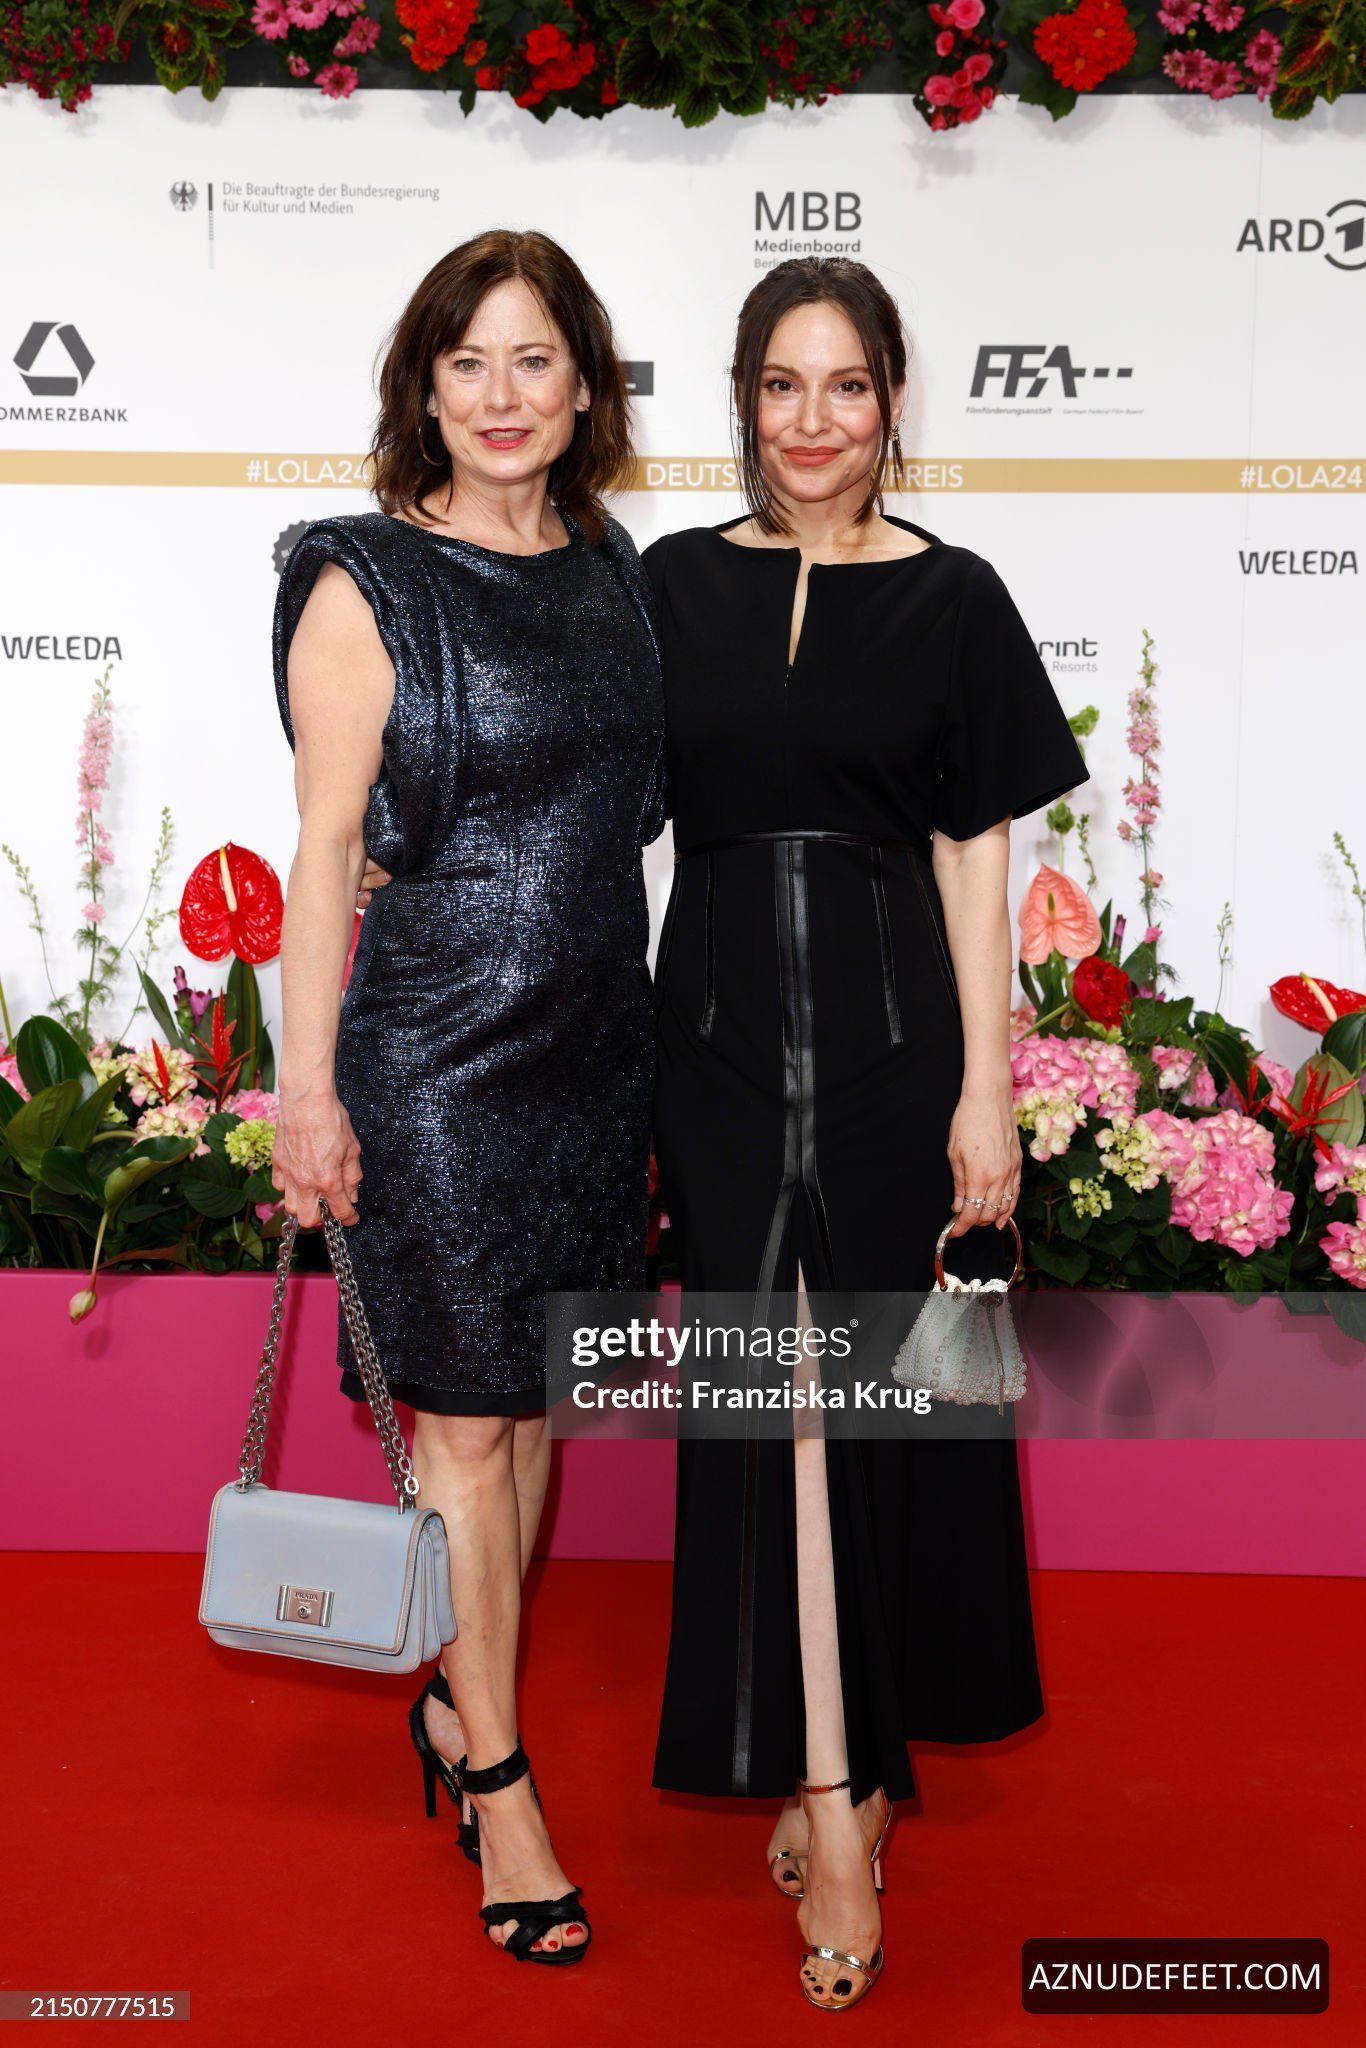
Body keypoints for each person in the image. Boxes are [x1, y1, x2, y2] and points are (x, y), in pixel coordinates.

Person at [641, 256, 1090, 2010]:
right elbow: (587, 788)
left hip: (900, 1042)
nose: (811, 420)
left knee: (887, 1415)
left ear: (892, 397)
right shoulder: (671, 583)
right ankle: (834, 1788)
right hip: (717, 1041)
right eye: (780, 384)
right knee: (772, 1416)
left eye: (844, 384)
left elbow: (975, 855)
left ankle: (846, 1776)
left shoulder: (955, 595)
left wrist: (989, 1087)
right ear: (741, 398)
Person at [270, 228, 665, 1969]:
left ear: (583, 385)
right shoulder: (362, 578)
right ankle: (498, 1781)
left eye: (533, 359)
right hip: (434, 1064)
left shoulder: (613, 567)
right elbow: (322, 851)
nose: (502, 396)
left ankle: (456, 1699)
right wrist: (305, 1089)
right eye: (467, 362)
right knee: (465, 1431)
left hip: (592, 1052)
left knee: (532, 1412)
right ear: (422, 389)